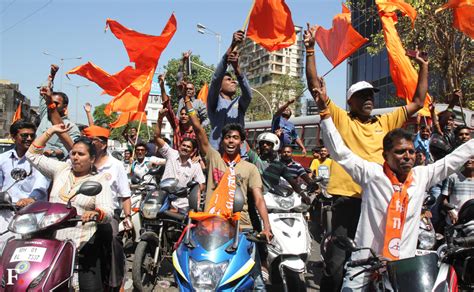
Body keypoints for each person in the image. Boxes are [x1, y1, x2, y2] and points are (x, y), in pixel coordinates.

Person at [305, 22, 429, 291]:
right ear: (349, 102)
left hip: (381, 199)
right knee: (337, 265)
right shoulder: (341, 119)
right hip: (347, 202)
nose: (368, 100)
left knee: (382, 264)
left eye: (371, 95)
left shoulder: (386, 120)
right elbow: (315, 87)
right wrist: (310, 50)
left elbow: (418, 102)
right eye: (361, 96)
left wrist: (423, 66)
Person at [312, 95, 474, 291]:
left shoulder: (422, 175)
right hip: (364, 265)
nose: (407, 157)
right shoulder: (371, 174)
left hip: (403, 269)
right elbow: (339, 151)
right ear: (385, 155)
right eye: (400, 152)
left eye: (411, 152)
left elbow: (453, 160)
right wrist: (324, 113)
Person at [26, 124, 114, 290]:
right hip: (53, 241)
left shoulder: (99, 180)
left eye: (81, 154)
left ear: (92, 159)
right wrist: (50, 131)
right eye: (73, 153)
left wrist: (95, 213)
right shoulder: (61, 169)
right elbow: (32, 155)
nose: (75, 157)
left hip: (83, 243)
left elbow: (108, 211)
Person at [83, 125, 132, 290]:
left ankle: (116, 282)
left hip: (108, 213)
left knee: (112, 239)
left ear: (103, 144)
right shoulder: (82, 162)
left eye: (92, 141)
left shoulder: (116, 165)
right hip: (82, 211)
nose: (88, 144)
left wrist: (128, 217)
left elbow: (124, 194)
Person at [0, 120, 50, 248]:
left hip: (32, 215)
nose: (29, 138)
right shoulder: (3, 159)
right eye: (24, 135)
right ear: (13, 137)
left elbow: (41, 185)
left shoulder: (41, 160)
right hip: (6, 214)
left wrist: (31, 199)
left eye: (32, 136)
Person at [207, 30, 253, 150]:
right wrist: (232, 45)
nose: (233, 81)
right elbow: (216, 78)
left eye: (234, 79)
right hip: (219, 156)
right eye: (228, 79)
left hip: (239, 156)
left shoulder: (239, 103)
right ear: (220, 87)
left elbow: (248, 95)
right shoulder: (215, 102)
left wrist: (236, 67)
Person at [154, 109, 205, 213]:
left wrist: (193, 191)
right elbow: (157, 137)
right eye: (183, 145)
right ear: (180, 146)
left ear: (192, 151)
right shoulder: (171, 154)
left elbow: (201, 185)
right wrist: (160, 119)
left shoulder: (195, 166)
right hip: (163, 201)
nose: (185, 148)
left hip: (183, 206)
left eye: (188, 147)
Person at [36, 74, 81, 160]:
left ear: (64, 106)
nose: (52, 105)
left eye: (56, 103)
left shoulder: (71, 127)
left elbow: (73, 148)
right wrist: (52, 75)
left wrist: (53, 152)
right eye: (50, 102)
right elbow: (43, 94)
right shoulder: (45, 116)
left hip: (53, 165)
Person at [175, 52, 209, 128]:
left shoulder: (199, 103)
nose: (188, 90)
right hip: (180, 133)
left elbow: (206, 119)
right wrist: (183, 61)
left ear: (194, 91)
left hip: (193, 136)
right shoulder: (181, 99)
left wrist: (198, 129)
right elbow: (179, 78)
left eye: (190, 89)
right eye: (186, 88)